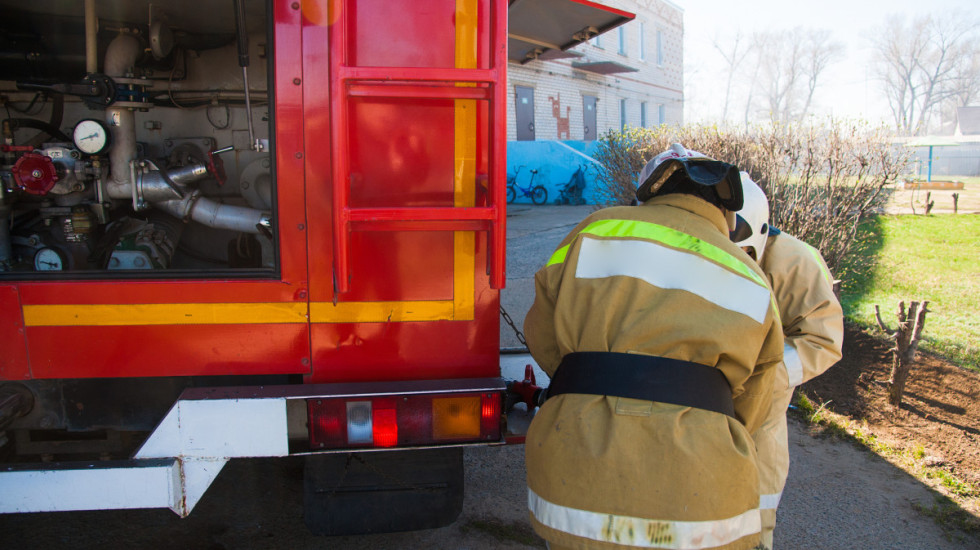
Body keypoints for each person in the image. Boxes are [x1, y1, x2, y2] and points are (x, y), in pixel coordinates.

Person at [522, 143, 784, 550]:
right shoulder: (751, 277)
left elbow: (542, 335)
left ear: (649, 192)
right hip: (700, 505)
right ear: (728, 214)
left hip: (574, 484)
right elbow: (755, 401)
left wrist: (583, 388)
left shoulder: (595, 231)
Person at [732, 173, 844, 550]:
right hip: (693, 407)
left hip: (761, 414)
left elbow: (823, 340)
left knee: (752, 512)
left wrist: (760, 375)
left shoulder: (795, 262)